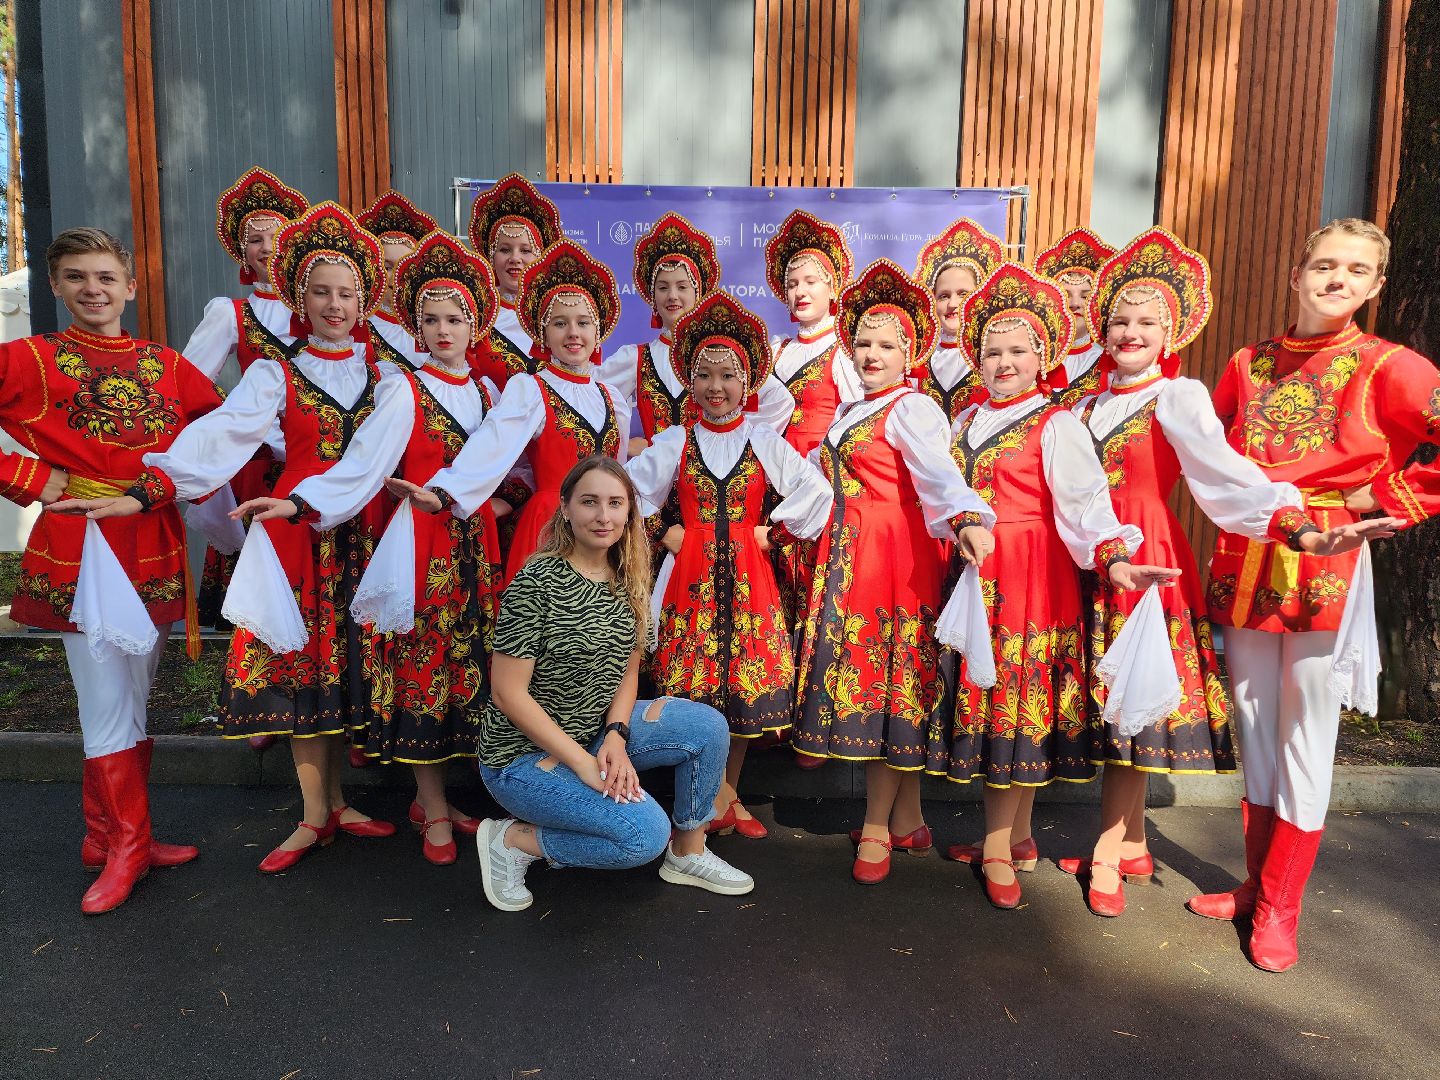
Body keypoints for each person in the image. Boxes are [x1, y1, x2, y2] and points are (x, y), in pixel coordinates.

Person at [1059, 228, 1395, 916]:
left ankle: (1134, 854)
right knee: (1112, 699)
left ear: (1171, 330)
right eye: (1119, 318)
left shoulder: (1178, 396)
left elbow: (1224, 474)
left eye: (1148, 321)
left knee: (1138, 697)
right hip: (1089, 556)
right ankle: (1131, 843)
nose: (1130, 331)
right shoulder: (1082, 403)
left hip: (1150, 553)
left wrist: (1300, 518)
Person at [65, 202, 406, 872]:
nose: (335, 305)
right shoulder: (272, 373)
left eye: (347, 294)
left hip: (354, 530)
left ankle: (338, 803)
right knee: (303, 673)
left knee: (345, 673)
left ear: (364, 300)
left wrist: (308, 502)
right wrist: (145, 490)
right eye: (321, 292)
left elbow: (371, 463)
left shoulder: (388, 378)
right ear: (298, 298)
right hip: (292, 534)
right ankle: (314, 815)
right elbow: (214, 441)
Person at [1192, 218, 1439, 972]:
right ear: (1296, 271)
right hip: (1250, 549)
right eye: (1325, 264)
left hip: (1326, 559)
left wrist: (1377, 495)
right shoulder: (1246, 361)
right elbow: (1218, 452)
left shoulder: (1389, 364)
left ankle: (1280, 909)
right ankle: (1254, 881)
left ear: (1374, 287)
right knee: (1255, 721)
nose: (1337, 279)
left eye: (1355, 271)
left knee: (1306, 731)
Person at [234, 230, 507, 865]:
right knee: (416, 667)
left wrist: (504, 500)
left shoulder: (491, 393)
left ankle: (410, 803)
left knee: (465, 673)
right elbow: (363, 463)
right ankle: (422, 807)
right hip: (412, 546)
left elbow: (510, 463)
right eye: (430, 319)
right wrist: (299, 504)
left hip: (467, 549)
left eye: (455, 318)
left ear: (476, 326)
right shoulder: (401, 387)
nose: (443, 330)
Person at [924, 262, 1177, 911]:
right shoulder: (963, 421)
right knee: (997, 704)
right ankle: (1023, 836)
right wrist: (962, 524)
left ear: (1043, 354)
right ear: (975, 356)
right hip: (978, 574)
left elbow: (1086, 506)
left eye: (1017, 350)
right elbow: (943, 493)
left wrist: (1115, 556)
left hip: (1032, 577)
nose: (1003, 362)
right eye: (991, 351)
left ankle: (1000, 847)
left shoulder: (1057, 424)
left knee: (1014, 706)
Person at [18, 228, 221, 913]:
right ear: (54, 286)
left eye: (105, 277)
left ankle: (105, 835)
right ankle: (128, 845)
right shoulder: (33, 360)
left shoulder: (166, 365)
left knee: (133, 697)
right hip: (83, 550)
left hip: (154, 545)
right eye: (76, 277)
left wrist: (161, 489)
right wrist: (29, 477)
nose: (93, 290)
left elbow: (217, 441)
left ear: (131, 286)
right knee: (105, 704)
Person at [788, 258, 996, 883]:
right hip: (851, 553)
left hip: (892, 559)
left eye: (887, 344)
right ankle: (906, 819)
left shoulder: (913, 409)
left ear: (912, 350)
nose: (872, 354)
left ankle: (877, 829)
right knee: (878, 680)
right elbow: (824, 483)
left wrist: (964, 517)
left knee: (890, 683)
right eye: (863, 344)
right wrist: (786, 523)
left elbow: (937, 473)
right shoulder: (857, 409)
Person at [475, 456, 755, 911]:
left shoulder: (629, 576)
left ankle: (688, 853)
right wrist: (586, 765)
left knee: (706, 726)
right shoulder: (536, 581)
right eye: (589, 502)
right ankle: (512, 840)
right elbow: (508, 694)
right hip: (521, 757)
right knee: (642, 836)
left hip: (594, 733)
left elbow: (627, 670)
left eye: (614, 503)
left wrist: (616, 736)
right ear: (565, 507)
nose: (603, 516)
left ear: (629, 513)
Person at [626, 292, 833, 838]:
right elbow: (627, 493)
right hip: (690, 579)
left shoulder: (764, 440)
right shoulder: (676, 440)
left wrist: (775, 533)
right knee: (694, 691)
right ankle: (708, 798)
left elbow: (816, 491)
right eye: (705, 375)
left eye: (728, 376)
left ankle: (726, 793)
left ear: (748, 384)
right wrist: (663, 530)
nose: (716, 388)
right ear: (689, 382)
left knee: (740, 691)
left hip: (748, 580)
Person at [411, 239, 631, 589]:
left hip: (605, 530)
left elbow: (617, 471)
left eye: (583, 323)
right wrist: (445, 490)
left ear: (598, 330)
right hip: (551, 526)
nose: (573, 333)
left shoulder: (612, 397)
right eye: (560, 323)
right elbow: (493, 446)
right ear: (542, 333)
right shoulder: (530, 389)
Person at [180, 167, 307, 641]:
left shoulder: (327, 307)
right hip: (260, 462)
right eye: (255, 239)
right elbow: (187, 384)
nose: (269, 246)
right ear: (241, 252)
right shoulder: (231, 313)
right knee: (261, 593)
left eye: (278, 235)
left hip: (316, 459)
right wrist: (241, 419)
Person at [465, 173, 563, 390]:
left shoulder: (558, 313)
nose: (515, 259)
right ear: (491, 256)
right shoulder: (475, 315)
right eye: (505, 250)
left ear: (541, 258)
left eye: (525, 250)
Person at [911, 218, 1003, 421]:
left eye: (963, 294)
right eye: (944, 296)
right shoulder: (920, 356)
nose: (952, 304)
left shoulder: (994, 353)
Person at [357, 190, 440, 369]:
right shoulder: (358, 327)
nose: (395, 275)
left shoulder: (433, 323)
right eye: (387, 267)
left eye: (404, 266)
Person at [1034, 227, 1116, 407]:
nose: (1075, 303)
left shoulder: (1111, 362)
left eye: (1085, 296)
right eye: (1066, 295)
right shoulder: (1034, 358)